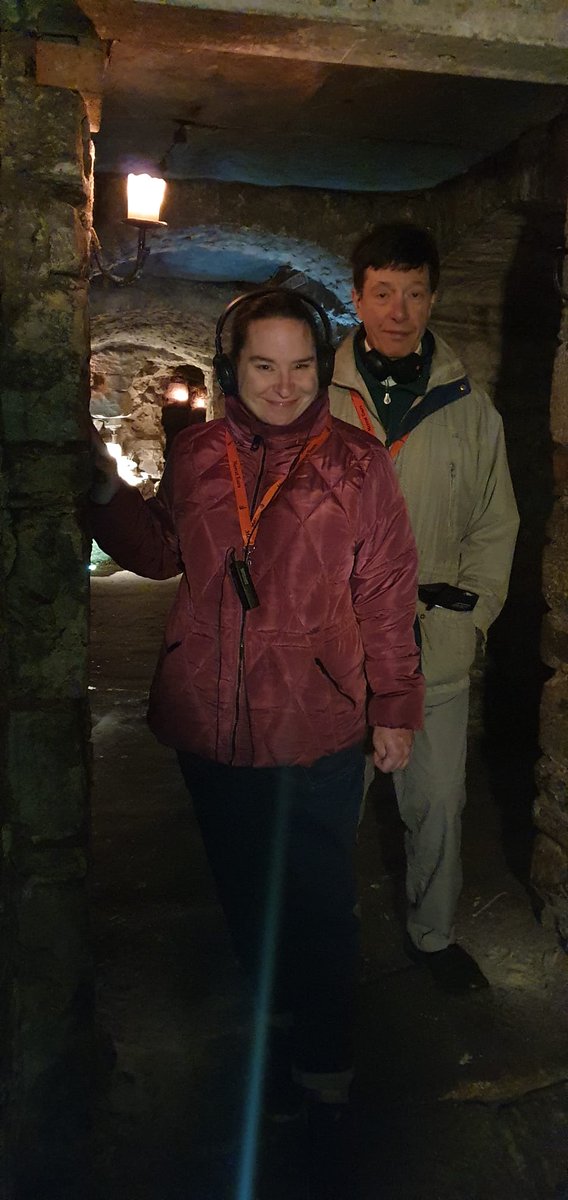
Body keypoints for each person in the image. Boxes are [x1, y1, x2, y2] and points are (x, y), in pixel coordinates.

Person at [88, 288, 423, 1197]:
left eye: (302, 365)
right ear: (233, 368)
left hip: (313, 723)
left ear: (323, 368)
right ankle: (276, 1036)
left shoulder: (356, 465)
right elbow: (163, 554)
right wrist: (103, 494)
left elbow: (388, 591)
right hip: (211, 719)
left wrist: (393, 705)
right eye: (263, 365)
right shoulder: (199, 452)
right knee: (243, 896)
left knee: (316, 905)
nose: (283, 385)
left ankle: (325, 1073)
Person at [329, 222, 520, 995]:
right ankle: (317, 938)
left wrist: (466, 619)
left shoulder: (472, 411)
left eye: (414, 294)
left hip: (429, 639)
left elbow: (495, 524)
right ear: (357, 298)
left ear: (434, 298)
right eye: (383, 292)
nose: (399, 310)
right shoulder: (317, 395)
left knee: (438, 801)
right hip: (334, 646)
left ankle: (433, 935)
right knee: (328, 801)